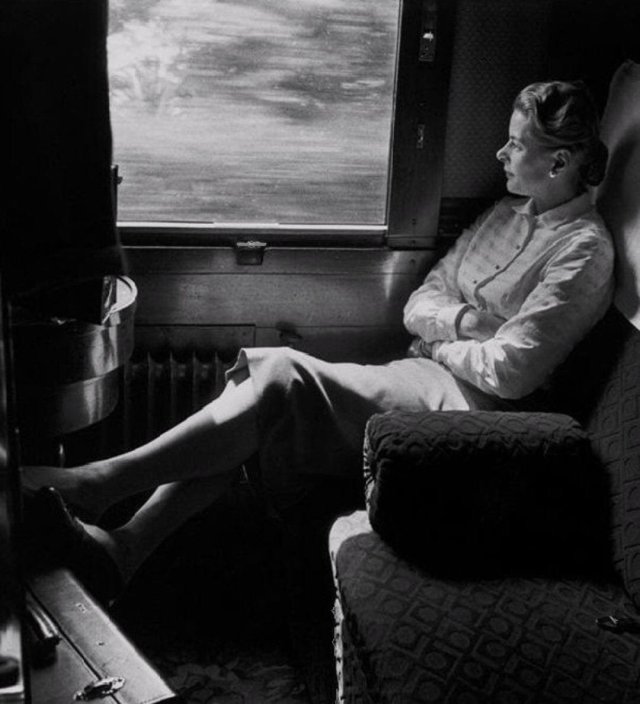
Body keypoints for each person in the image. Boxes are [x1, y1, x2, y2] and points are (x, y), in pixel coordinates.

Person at [24, 80, 614, 603]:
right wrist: (465, 325)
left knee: (279, 374)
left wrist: (441, 343)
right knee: (259, 395)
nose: (500, 153)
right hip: (427, 377)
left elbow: (511, 373)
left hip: (475, 421)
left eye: (515, 144)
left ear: (559, 161)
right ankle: (124, 548)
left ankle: (101, 483)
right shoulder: (505, 213)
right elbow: (421, 303)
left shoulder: (584, 251)